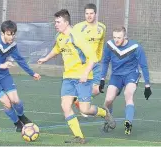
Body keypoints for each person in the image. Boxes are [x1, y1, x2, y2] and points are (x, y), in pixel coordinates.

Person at [37, 9, 115, 144]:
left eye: (58, 22)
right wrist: (45, 58)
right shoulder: (60, 36)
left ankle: (104, 112)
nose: (55, 24)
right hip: (68, 78)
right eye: (55, 22)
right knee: (65, 106)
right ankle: (79, 136)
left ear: (66, 23)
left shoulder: (77, 37)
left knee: (85, 109)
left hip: (82, 78)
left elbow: (93, 57)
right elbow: (57, 48)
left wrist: (85, 74)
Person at [0, 20, 41, 132]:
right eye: (8, 34)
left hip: (4, 75)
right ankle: (17, 123)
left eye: (13, 34)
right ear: (2, 33)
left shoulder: (12, 45)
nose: (11, 37)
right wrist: (1, 65)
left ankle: (22, 116)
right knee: (7, 103)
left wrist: (32, 73)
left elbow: (20, 60)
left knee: (16, 101)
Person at [100, 26, 152, 134]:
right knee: (108, 100)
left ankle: (128, 124)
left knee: (128, 94)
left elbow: (144, 66)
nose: (116, 40)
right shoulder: (109, 45)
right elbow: (105, 62)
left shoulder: (135, 47)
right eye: (114, 37)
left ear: (125, 36)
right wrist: (102, 79)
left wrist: (147, 85)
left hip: (131, 74)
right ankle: (108, 119)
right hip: (116, 76)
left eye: (119, 37)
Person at [72, 3, 106, 116]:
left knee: (96, 90)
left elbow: (101, 43)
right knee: (79, 86)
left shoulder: (102, 27)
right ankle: (81, 102)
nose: (89, 16)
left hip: (95, 63)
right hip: (83, 63)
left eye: (91, 13)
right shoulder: (78, 27)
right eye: (87, 13)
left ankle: (79, 100)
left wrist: (98, 57)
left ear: (95, 14)